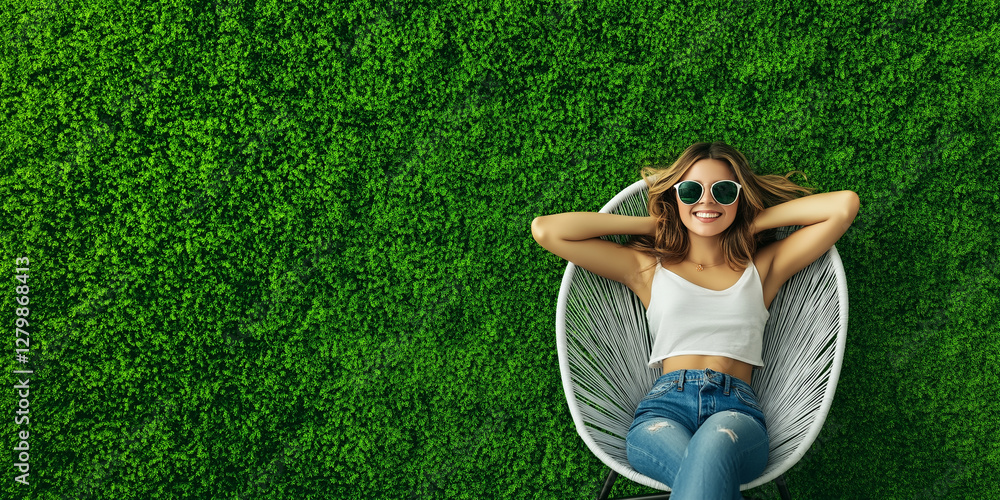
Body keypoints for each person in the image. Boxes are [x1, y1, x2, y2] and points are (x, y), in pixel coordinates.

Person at [530, 141, 859, 499]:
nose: (707, 201)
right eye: (690, 191)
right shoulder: (647, 268)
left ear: (740, 198)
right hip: (663, 411)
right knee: (704, 475)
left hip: (736, 411)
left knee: (711, 451)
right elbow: (548, 230)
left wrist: (750, 222)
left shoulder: (762, 267)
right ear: (675, 198)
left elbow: (843, 206)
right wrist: (662, 224)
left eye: (723, 191)